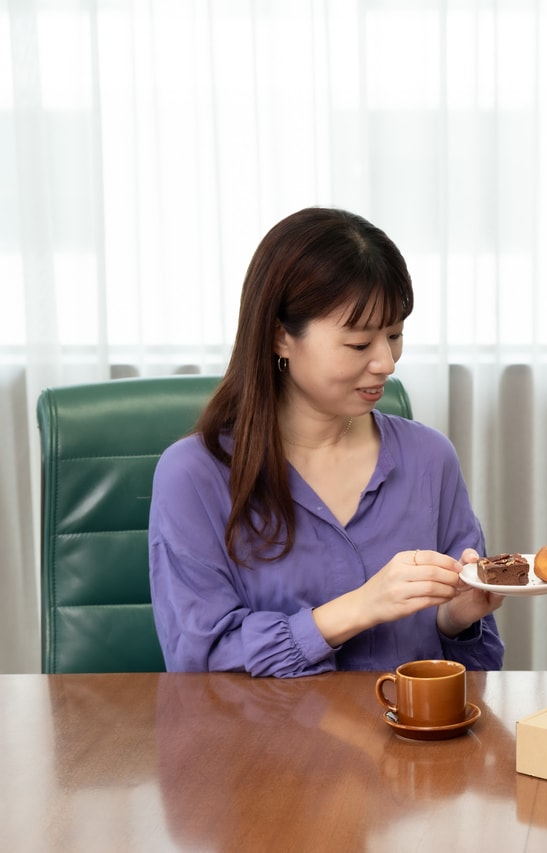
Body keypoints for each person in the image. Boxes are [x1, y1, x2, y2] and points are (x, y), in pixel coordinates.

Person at [149, 207, 504, 677]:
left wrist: (455, 620)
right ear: (280, 336)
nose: (386, 362)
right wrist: (359, 608)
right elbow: (199, 660)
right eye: (359, 344)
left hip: (411, 746)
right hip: (264, 748)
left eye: (395, 335)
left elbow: (480, 669)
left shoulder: (429, 458)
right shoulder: (195, 475)